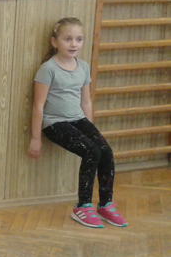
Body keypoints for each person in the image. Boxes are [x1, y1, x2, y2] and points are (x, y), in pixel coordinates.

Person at [28, 18, 126, 228]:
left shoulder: (83, 67)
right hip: (55, 123)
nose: (74, 44)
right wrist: (36, 138)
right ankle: (82, 206)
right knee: (92, 151)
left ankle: (105, 204)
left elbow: (86, 102)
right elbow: (38, 105)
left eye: (79, 39)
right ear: (55, 42)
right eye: (68, 39)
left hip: (78, 120)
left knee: (105, 151)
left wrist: (90, 130)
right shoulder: (48, 69)